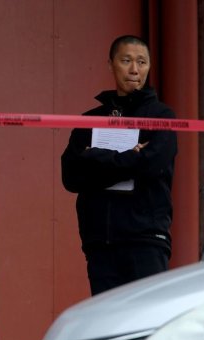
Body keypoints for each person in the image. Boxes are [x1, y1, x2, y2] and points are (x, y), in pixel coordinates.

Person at [61, 35, 178, 296]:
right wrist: (129, 158)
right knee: (108, 324)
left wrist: (94, 157)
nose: (135, 70)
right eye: (126, 61)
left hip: (145, 238)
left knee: (147, 322)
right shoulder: (90, 120)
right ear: (111, 64)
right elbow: (70, 176)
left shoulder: (161, 116)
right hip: (99, 240)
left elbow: (151, 165)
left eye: (142, 62)